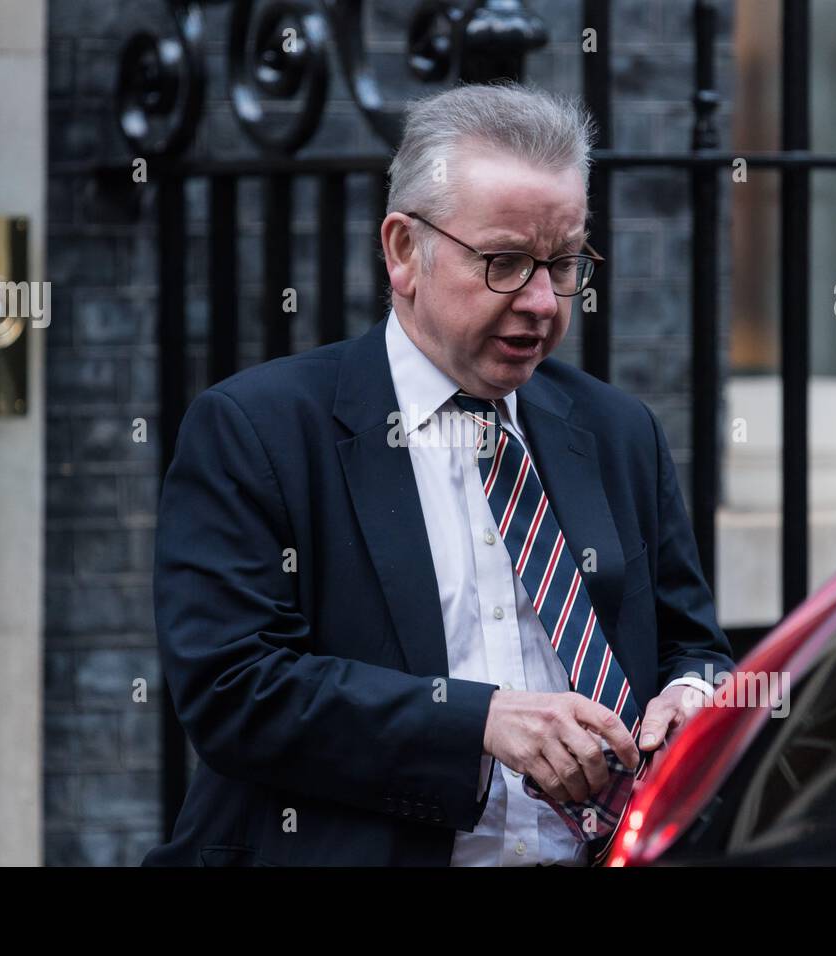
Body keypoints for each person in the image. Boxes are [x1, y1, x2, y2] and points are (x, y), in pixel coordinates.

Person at [143, 80, 734, 867]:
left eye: (563, 264)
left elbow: (693, 644)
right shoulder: (258, 429)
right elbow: (234, 691)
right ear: (402, 251)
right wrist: (479, 724)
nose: (541, 303)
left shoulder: (617, 429)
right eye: (505, 262)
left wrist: (691, 698)